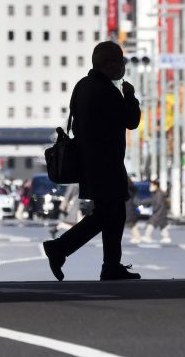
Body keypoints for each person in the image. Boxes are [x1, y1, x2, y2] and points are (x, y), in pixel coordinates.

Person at [41, 41, 143, 281]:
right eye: (121, 62)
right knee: (108, 214)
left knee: (112, 213)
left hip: (90, 162)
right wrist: (130, 96)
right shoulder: (106, 90)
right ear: (110, 65)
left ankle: (109, 265)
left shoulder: (83, 86)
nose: (123, 67)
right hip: (105, 163)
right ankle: (61, 249)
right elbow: (131, 120)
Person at [125, 177, 142, 244]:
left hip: (130, 211)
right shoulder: (133, 190)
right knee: (132, 225)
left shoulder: (128, 191)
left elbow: (128, 204)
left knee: (132, 225)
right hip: (133, 210)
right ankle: (135, 237)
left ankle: (137, 237)